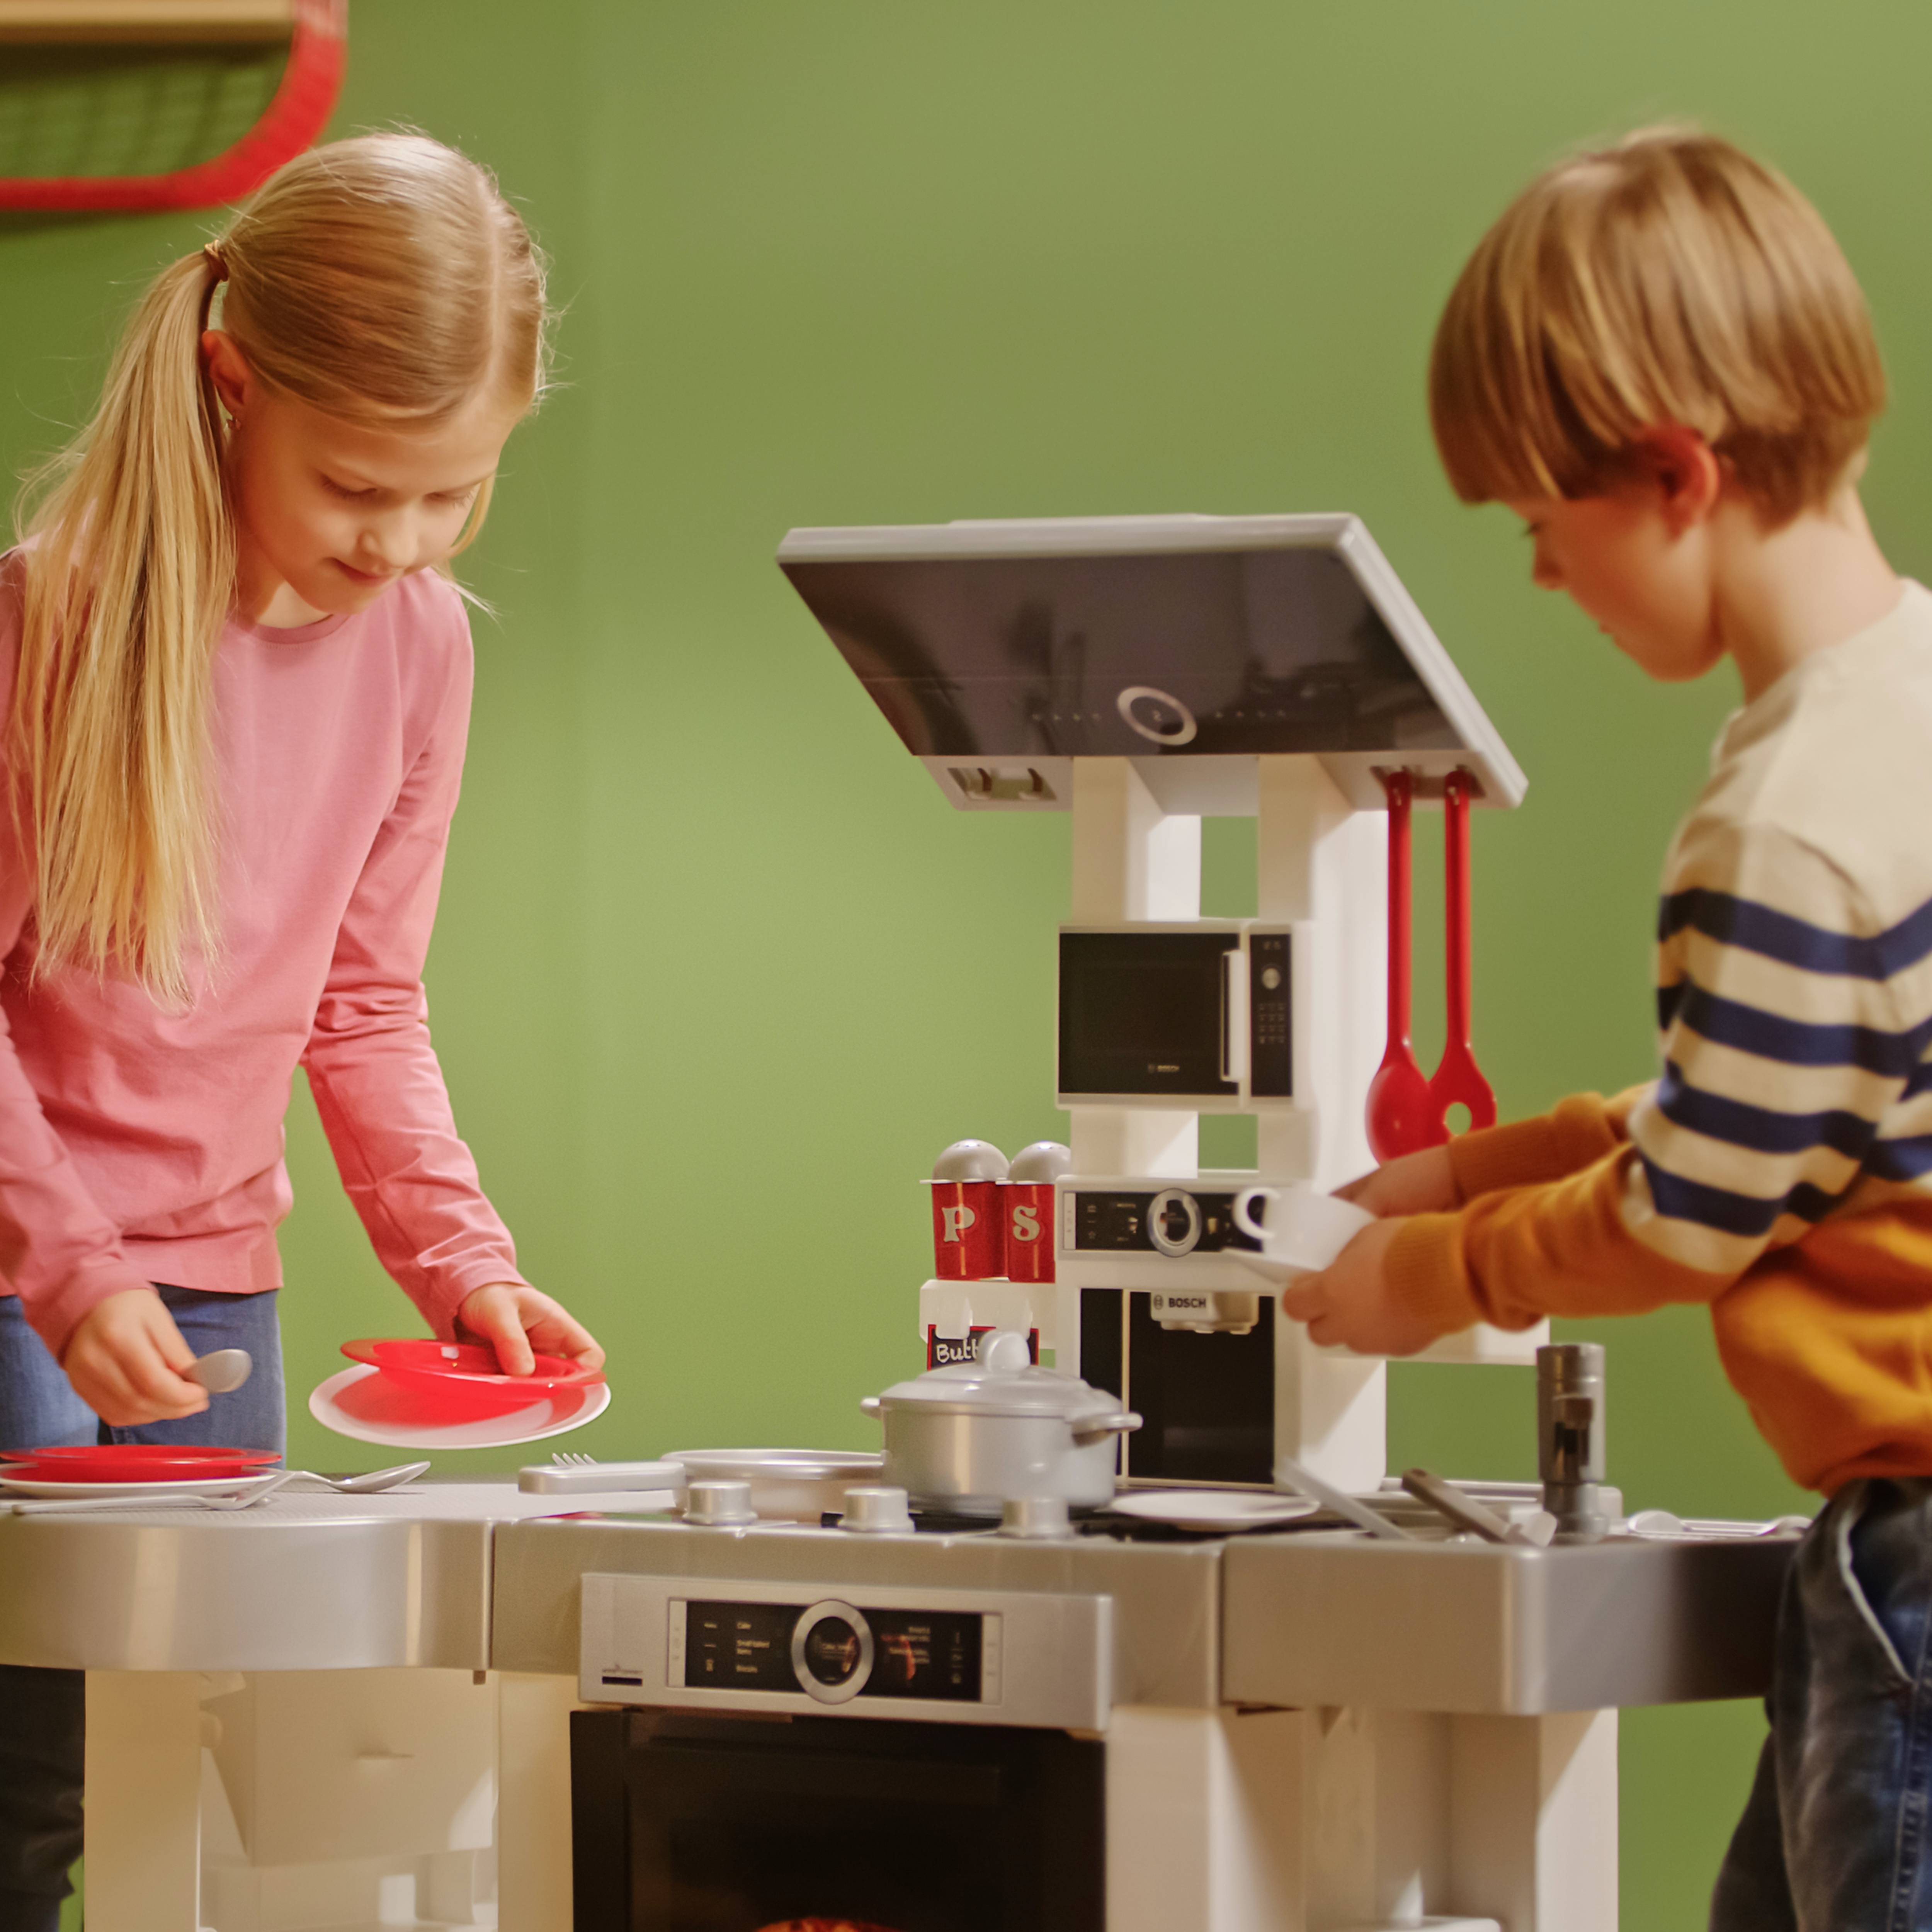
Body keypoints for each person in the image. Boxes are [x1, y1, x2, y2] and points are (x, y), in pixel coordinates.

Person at [1281, 126, 1932, 1929]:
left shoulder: (1783, 816)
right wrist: (1479, 1162)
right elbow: (1779, 1116)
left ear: (1667, 471)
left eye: (1537, 525)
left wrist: (1435, 1272)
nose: (1541, 576)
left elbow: (1693, 1211)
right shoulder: (1908, 716)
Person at [0, 133, 604, 1931]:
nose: (401, 543)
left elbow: (364, 997)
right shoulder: (48, 621)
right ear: (232, 377)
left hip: (219, 1285)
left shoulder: (422, 646)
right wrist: (69, 1263)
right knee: (29, 1781)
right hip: (26, 1266)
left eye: (453, 496)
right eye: (360, 486)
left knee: (216, 1767)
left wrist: (458, 1260)